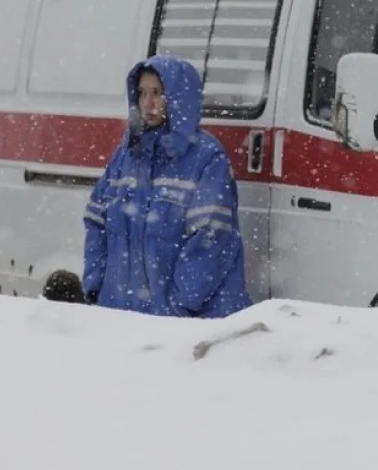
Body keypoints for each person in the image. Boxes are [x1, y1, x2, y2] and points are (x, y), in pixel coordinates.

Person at [81, 55, 252, 318]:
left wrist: (178, 307)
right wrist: (95, 286)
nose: (147, 103)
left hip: (187, 324)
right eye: (141, 93)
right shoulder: (127, 155)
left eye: (157, 93)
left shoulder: (206, 157)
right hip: (123, 317)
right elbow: (97, 223)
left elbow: (211, 239)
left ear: (179, 97)